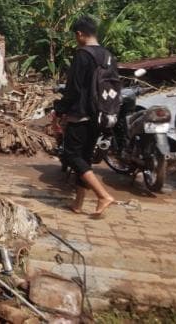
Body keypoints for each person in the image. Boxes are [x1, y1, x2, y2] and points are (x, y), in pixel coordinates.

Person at [54, 16, 115, 217]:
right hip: (101, 115)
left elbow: (74, 89)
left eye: (75, 36)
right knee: (85, 158)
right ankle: (78, 204)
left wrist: (59, 110)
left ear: (80, 34)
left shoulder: (83, 55)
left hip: (80, 114)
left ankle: (103, 195)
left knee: (71, 155)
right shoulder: (107, 56)